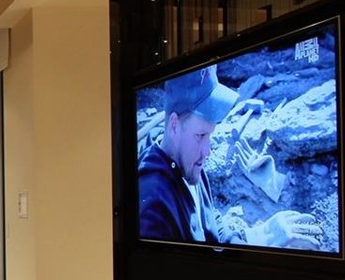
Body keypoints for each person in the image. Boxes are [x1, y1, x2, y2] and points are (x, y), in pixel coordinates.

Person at [138, 65, 324, 249]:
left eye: (210, 135)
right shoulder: (154, 209)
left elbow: (208, 218)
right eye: (201, 135)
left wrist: (252, 238)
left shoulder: (186, 161)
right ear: (174, 126)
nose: (207, 151)